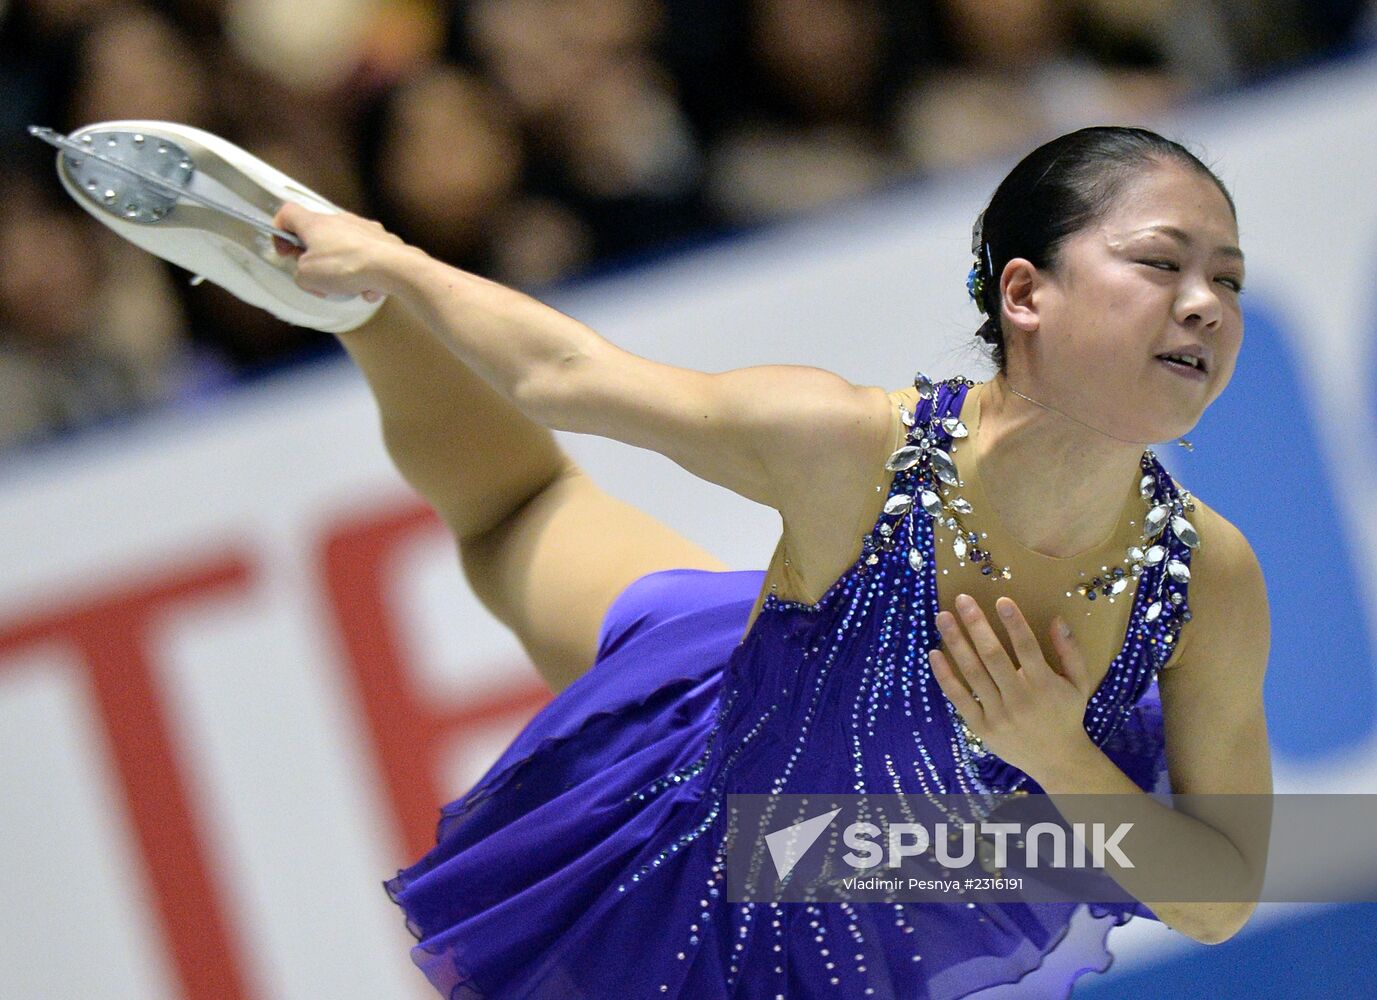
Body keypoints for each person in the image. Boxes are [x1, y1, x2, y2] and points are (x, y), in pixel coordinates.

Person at [57, 121, 1270, 998]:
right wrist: (395, 261)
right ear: (1027, 294)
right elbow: (571, 380)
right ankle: (364, 310)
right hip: (691, 836)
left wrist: (1055, 752)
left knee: (522, 516)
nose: (1206, 304)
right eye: (1162, 264)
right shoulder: (846, 443)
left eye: (1227, 279)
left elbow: (1219, 896)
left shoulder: (1206, 577)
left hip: (879, 915)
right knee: (517, 509)